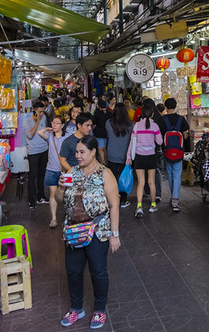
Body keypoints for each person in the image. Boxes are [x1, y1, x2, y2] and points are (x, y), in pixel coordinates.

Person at [60, 136, 121, 329]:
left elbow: (114, 204)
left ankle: (99, 310)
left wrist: (115, 234)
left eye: (81, 152)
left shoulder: (105, 173)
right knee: (73, 271)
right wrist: (61, 188)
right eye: (76, 152)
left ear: (93, 152)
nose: (77, 156)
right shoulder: (72, 172)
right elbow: (61, 199)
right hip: (73, 230)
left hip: (97, 231)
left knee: (98, 272)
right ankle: (76, 309)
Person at [127, 101, 162, 218]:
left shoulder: (136, 126)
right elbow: (160, 142)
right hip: (151, 157)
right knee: (151, 182)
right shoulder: (155, 126)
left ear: (141, 114)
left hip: (139, 157)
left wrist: (128, 157)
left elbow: (132, 143)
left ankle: (139, 206)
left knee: (141, 183)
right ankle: (153, 205)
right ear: (152, 114)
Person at [159, 97, 189, 213]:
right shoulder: (181, 119)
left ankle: (173, 197)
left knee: (170, 174)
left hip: (167, 151)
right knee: (177, 174)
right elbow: (185, 136)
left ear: (165, 107)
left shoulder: (162, 120)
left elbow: (160, 138)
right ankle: (175, 200)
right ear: (175, 106)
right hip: (179, 151)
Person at [40, 116, 68, 229]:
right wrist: (47, 128)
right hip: (51, 169)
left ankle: (68, 216)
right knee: (52, 194)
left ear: (62, 125)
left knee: (66, 194)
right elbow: (39, 132)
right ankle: (53, 218)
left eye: (57, 123)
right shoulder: (50, 137)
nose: (54, 125)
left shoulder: (67, 138)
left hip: (64, 170)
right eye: (53, 123)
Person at [105, 104, 134, 207]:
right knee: (124, 178)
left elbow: (108, 136)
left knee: (112, 178)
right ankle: (123, 200)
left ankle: (113, 199)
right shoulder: (131, 124)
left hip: (111, 153)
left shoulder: (108, 123)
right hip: (125, 155)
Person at [24, 100, 50, 207]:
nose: (41, 114)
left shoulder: (44, 118)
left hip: (44, 150)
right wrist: (37, 122)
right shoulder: (27, 121)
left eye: (43, 112)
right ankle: (31, 199)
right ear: (34, 111)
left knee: (41, 174)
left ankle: (41, 196)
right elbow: (30, 135)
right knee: (32, 176)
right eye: (39, 112)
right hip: (33, 152)